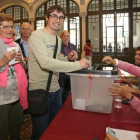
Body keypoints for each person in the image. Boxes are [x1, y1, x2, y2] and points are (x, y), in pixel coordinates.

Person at [28, 5, 90, 140]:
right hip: (40, 91)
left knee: (55, 129)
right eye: (54, 16)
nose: (58, 20)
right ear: (46, 17)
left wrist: (67, 58)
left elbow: (55, 59)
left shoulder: (57, 38)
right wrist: (77, 64)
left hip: (56, 89)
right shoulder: (37, 36)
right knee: (41, 133)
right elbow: (45, 62)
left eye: (61, 17)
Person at [0, 13, 28, 140]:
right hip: (1, 101)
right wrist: (2, 61)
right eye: (5, 26)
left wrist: (21, 61)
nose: (10, 30)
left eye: (11, 26)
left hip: (17, 97)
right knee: (2, 133)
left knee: (16, 131)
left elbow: (24, 68)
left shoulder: (15, 45)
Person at [59, 30, 77, 104]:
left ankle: (64, 107)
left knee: (67, 92)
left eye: (68, 36)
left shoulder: (73, 46)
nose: (66, 38)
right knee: (60, 93)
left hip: (70, 73)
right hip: (61, 73)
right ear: (61, 37)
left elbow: (75, 58)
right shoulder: (59, 46)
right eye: (65, 36)